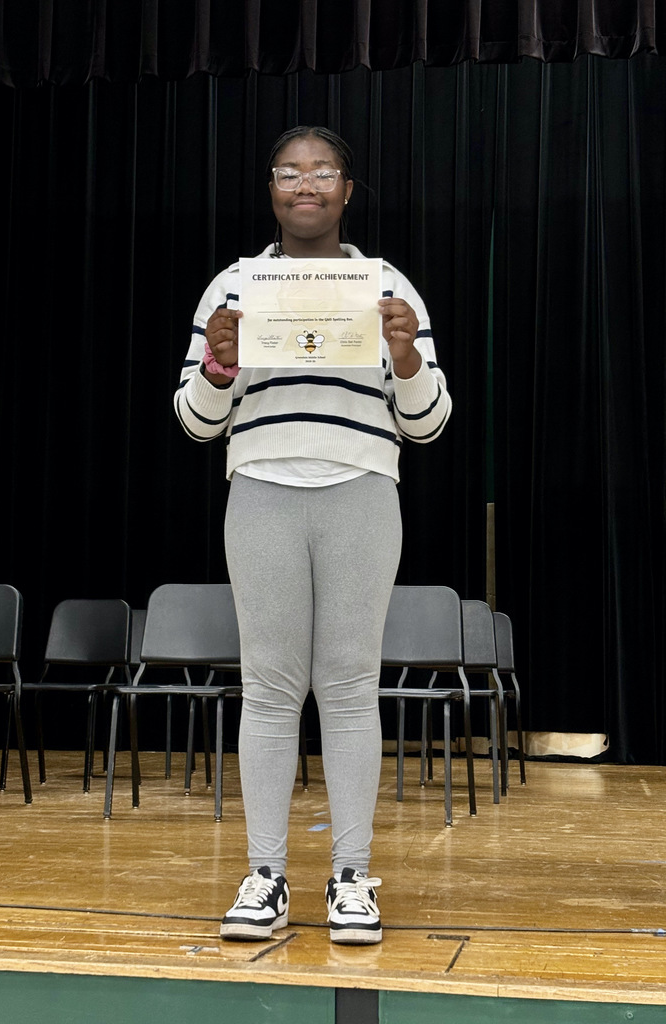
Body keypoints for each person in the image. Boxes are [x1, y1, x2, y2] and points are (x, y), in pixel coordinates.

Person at [174, 126, 451, 945]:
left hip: (362, 491)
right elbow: (193, 421)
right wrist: (218, 368)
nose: (306, 184)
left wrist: (405, 359)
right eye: (290, 172)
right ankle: (264, 876)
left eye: (322, 171)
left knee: (349, 687)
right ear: (270, 189)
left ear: (346, 189)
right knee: (266, 688)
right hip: (260, 489)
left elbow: (430, 424)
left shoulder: (388, 284)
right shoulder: (233, 284)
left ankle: (353, 878)